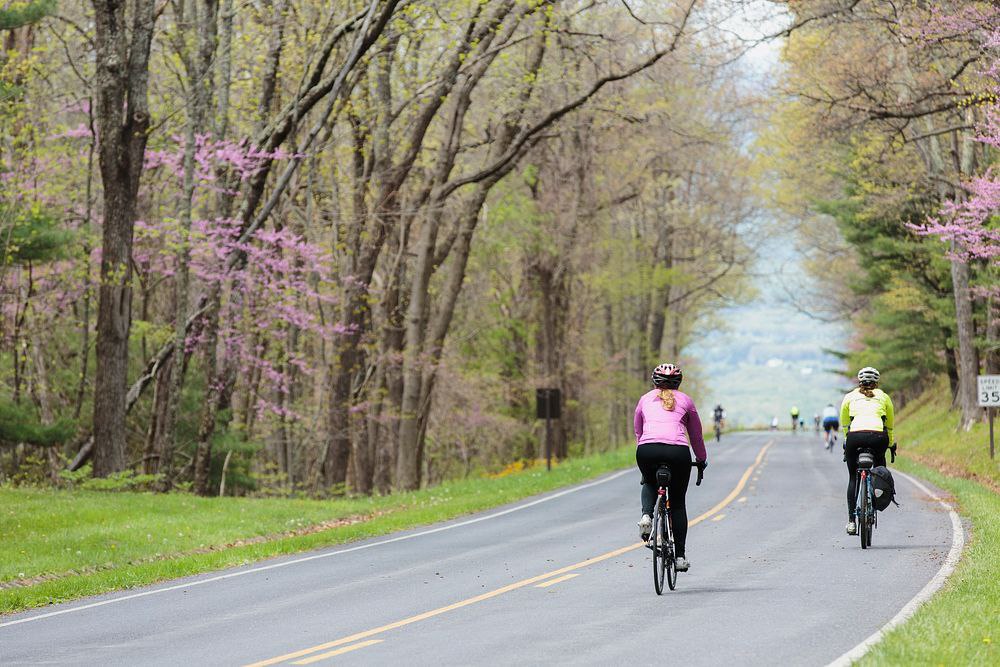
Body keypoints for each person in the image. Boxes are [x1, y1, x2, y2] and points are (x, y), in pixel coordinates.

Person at [635, 363, 707, 572]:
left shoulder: (644, 399)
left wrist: (644, 450)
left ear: (654, 381)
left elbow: (638, 432)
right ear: (679, 383)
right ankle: (680, 557)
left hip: (647, 449)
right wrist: (701, 459)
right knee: (677, 504)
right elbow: (696, 436)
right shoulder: (686, 401)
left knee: (649, 480)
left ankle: (647, 515)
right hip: (678, 452)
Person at [840, 367, 896, 535]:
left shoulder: (849, 397)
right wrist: (891, 444)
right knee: (880, 469)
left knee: (852, 478)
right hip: (878, 438)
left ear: (859, 381)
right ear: (876, 383)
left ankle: (851, 521)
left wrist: (846, 439)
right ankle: (874, 499)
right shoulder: (884, 397)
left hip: (855, 438)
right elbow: (890, 426)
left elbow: (844, 422)